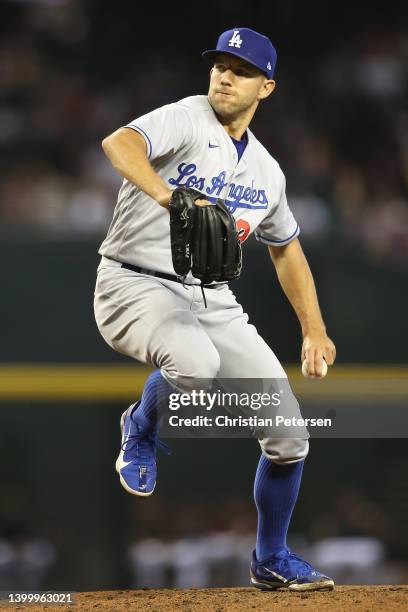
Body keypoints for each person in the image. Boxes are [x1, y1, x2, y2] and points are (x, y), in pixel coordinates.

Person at [94, 27, 336, 592]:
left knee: (289, 435)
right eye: (219, 65)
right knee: (196, 366)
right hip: (132, 283)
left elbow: (286, 247)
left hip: (211, 299)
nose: (225, 76)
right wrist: (168, 194)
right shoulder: (187, 116)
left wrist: (314, 329)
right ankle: (142, 426)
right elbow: (118, 144)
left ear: (266, 87)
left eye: (242, 70)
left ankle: (271, 558)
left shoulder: (266, 172)